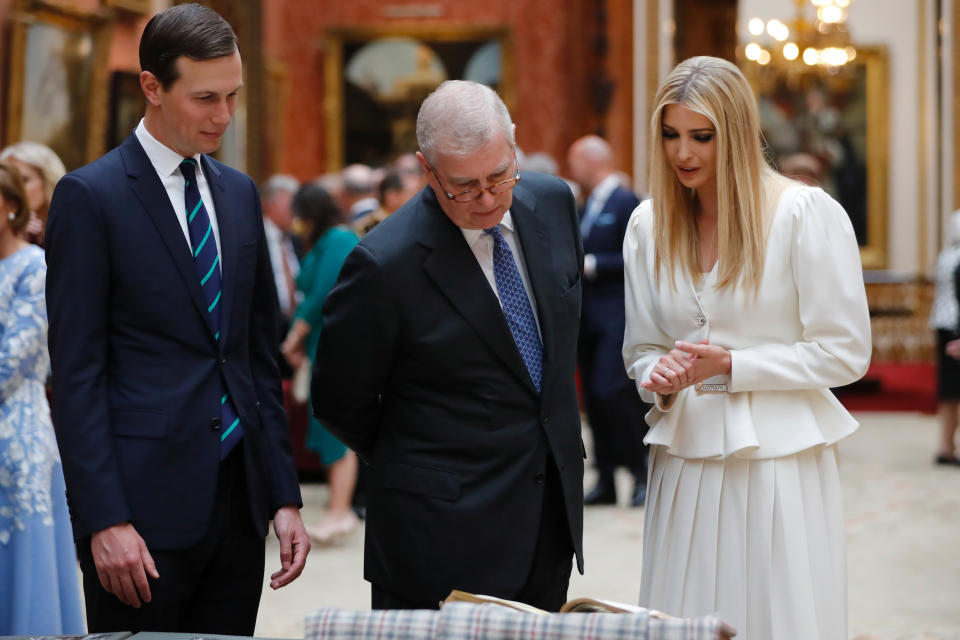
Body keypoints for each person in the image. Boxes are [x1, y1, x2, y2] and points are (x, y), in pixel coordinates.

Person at [44, 4, 308, 633]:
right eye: (206, 98)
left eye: (233, 96)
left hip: (238, 506)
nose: (223, 116)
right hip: (138, 516)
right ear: (152, 87)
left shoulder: (241, 193)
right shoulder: (90, 197)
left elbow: (253, 359)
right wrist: (104, 519)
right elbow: (77, 376)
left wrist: (283, 495)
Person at [622, 57, 871, 639]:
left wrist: (734, 367)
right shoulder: (647, 226)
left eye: (701, 137)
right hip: (683, 459)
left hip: (779, 461)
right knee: (683, 611)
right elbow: (641, 348)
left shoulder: (803, 214)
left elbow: (845, 351)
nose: (683, 153)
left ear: (734, 133)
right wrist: (656, 376)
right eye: (671, 134)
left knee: (774, 609)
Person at [313, 80, 585, 611]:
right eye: (463, 186)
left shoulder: (552, 203)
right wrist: (427, 461)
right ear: (426, 168)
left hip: (549, 519)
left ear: (513, 144)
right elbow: (340, 400)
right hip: (437, 536)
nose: (486, 198)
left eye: (499, 176)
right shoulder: (384, 263)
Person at [0, 161, 84, 634]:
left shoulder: (34, 266)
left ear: (12, 206)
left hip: (19, 436)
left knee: (25, 567)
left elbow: (11, 361)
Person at [567, 134, 649, 507]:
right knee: (595, 403)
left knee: (613, 393)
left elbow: (637, 259)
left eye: (575, 161)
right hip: (587, 318)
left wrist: (592, 265)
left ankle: (641, 470)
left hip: (617, 315)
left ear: (594, 160)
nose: (571, 170)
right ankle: (605, 480)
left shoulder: (625, 201)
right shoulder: (584, 205)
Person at [281, 183, 360, 543]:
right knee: (324, 425)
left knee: (336, 431)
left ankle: (340, 511)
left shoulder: (339, 240)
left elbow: (320, 294)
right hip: (319, 345)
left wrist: (294, 336)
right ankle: (337, 507)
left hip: (335, 344)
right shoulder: (326, 241)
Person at [929, 209, 960, 466]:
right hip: (956, 330)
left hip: (941, 325)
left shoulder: (945, 256)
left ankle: (945, 445)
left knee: (948, 389)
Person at [0, 142, 67, 247]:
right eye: (10, 183)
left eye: (24, 180)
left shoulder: (69, 227)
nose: (14, 189)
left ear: (47, 181)